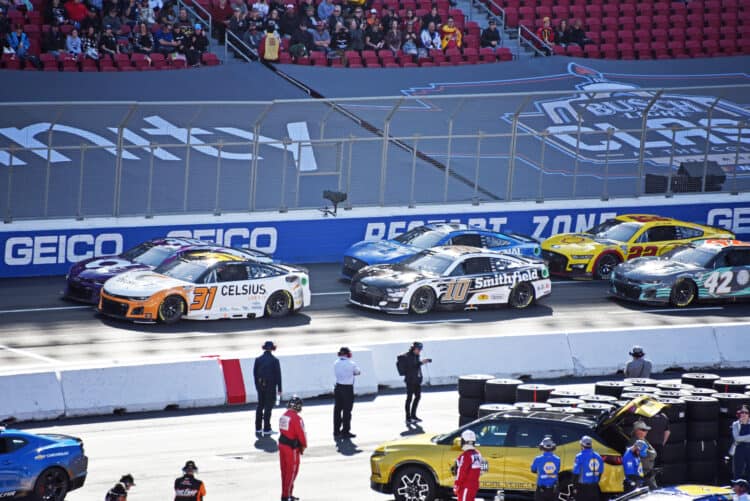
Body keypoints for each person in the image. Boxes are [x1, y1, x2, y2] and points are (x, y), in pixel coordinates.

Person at [279, 396, 307, 501]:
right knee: (291, 472)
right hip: (291, 448)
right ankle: (287, 496)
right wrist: (303, 446)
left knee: (284, 472)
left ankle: (286, 494)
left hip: (282, 446)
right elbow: (301, 434)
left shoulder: (283, 416)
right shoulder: (297, 418)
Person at [398, 341, 432, 424]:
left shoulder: (416, 356)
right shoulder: (408, 356)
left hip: (416, 380)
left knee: (417, 397)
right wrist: (422, 362)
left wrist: (422, 362)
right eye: (418, 349)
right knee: (409, 398)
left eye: (420, 349)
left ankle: (413, 415)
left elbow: (416, 366)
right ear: (414, 348)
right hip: (410, 380)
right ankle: (408, 417)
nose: (419, 351)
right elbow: (412, 366)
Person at [253, 340, 282, 437]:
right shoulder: (275, 360)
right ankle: (266, 428)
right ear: (272, 349)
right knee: (268, 408)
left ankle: (258, 428)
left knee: (260, 406)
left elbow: (255, 375)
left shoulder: (258, 359)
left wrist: (257, 386)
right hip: (271, 386)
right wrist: (279, 389)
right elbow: (278, 376)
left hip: (260, 386)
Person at [333, 346, 360, 439]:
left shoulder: (336, 363)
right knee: (347, 411)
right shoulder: (351, 363)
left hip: (338, 387)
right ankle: (345, 431)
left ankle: (336, 431)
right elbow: (357, 372)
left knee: (337, 410)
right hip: (347, 389)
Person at [454, 430, 484, 501]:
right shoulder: (478, 454)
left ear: (464, 441)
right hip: (474, 485)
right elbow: (481, 470)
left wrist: (457, 484)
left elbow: (461, 472)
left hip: (465, 486)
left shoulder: (465, 455)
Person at [573, 436, 604, 501]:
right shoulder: (598, 456)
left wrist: (575, 487)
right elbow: (600, 472)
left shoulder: (579, 456)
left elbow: (576, 473)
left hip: (583, 489)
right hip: (595, 488)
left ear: (582, 445)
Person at [631, 421, 657, 487]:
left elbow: (654, 453)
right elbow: (652, 454)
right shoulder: (635, 442)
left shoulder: (644, 440)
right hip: (642, 474)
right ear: (637, 431)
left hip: (648, 473)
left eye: (646, 430)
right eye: (643, 430)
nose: (646, 432)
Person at [732, 406, 750, 480]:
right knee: (738, 471)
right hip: (739, 449)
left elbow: (739, 438)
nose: (744, 414)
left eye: (746, 412)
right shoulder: (736, 424)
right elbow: (736, 438)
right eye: (742, 412)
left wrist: (742, 438)